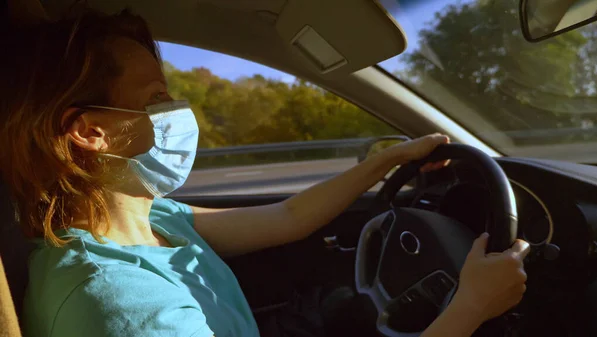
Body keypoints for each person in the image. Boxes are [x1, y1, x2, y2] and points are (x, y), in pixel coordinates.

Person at [0, 7, 529, 337]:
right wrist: (471, 307)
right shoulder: (121, 304)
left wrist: (387, 160)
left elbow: (290, 215)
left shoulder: (155, 221)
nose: (177, 112)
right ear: (90, 132)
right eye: (156, 98)